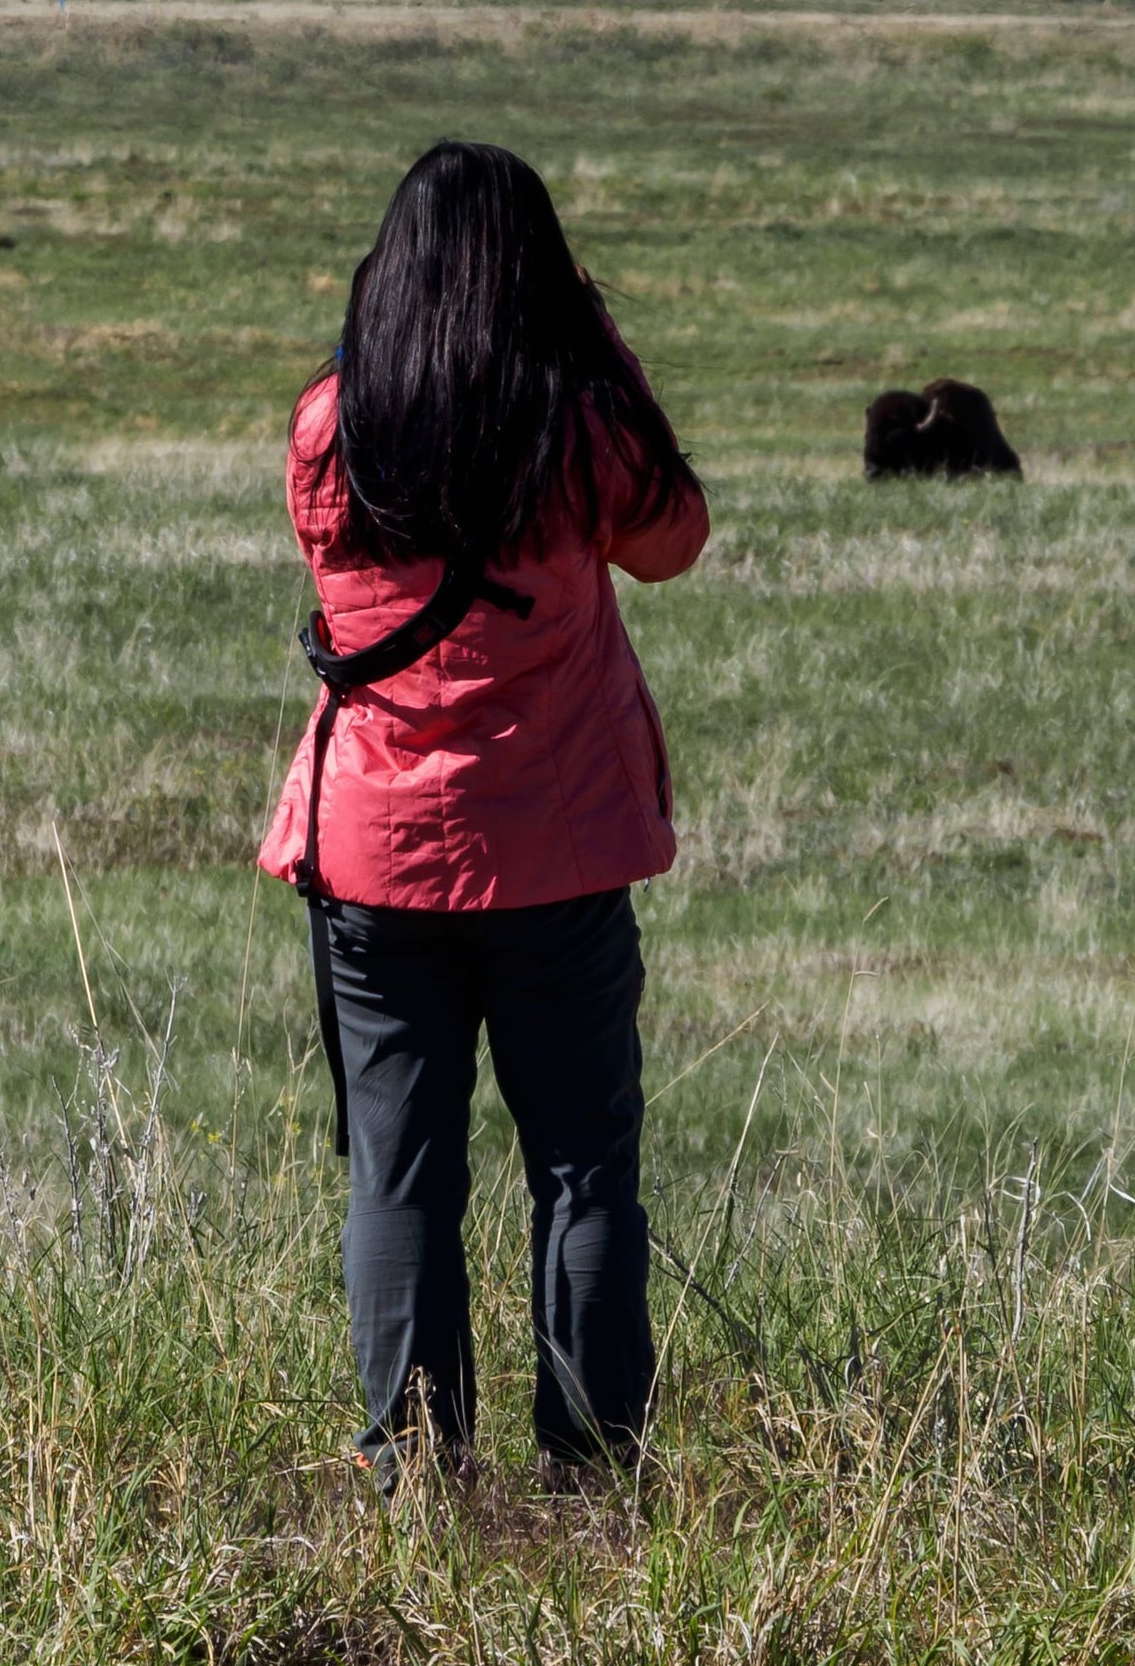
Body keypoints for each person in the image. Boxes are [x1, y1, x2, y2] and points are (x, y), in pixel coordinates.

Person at [257, 138, 708, 1489]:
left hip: (373, 858)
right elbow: (674, 538)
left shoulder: (332, 424)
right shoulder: (576, 420)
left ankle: (414, 1470)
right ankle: (589, 1467)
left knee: (397, 1178)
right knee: (581, 1171)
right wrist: (602, 341)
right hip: (557, 852)